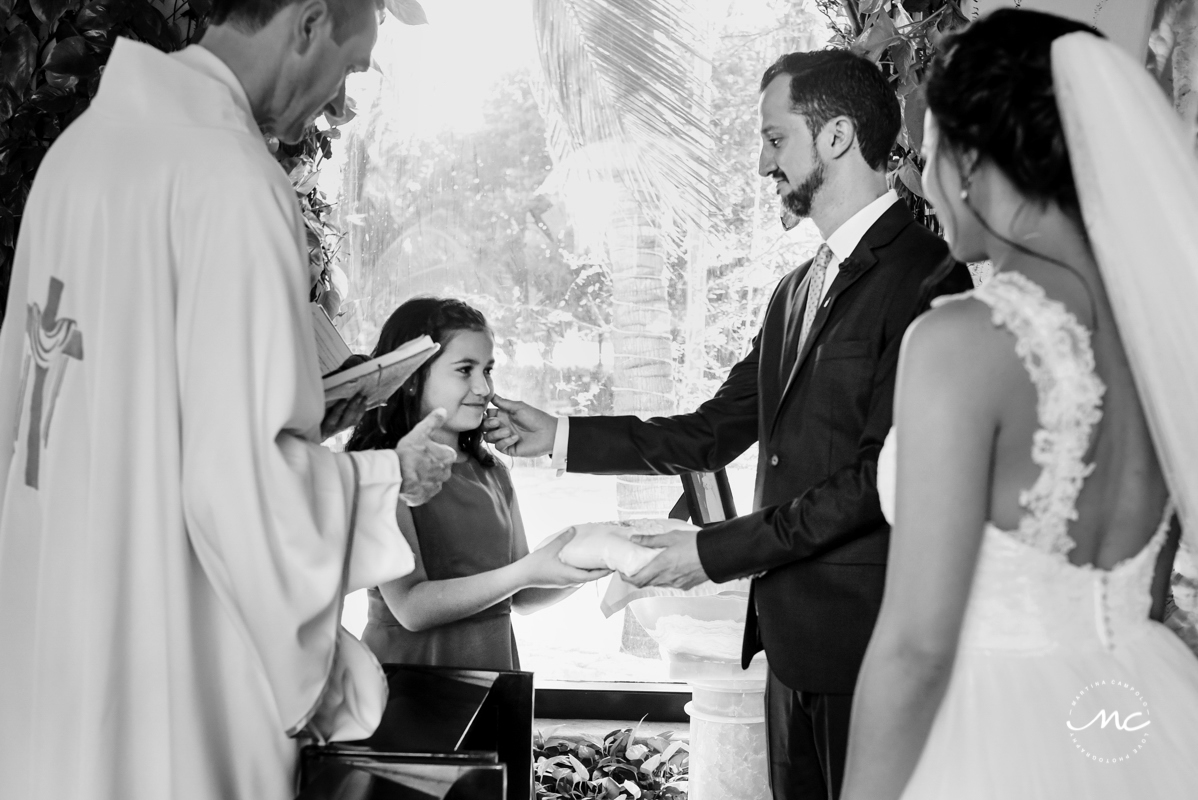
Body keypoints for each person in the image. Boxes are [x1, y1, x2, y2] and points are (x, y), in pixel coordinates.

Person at [0, 0, 460, 798]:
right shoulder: (230, 178)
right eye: (351, 67)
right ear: (309, 24)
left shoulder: (77, 158)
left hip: (50, 672)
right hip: (160, 697)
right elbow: (240, 486)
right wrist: (384, 483)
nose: (340, 100)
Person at [484, 50, 973, 800]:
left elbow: (875, 484)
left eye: (776, 140)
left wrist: (713, 553)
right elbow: (709, 433)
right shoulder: (792, 292)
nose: (760, 164)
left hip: (874, 647)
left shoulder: (931, 276)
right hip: (786, 651)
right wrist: (558, 435)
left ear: (837, 136)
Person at [840, 11, 1198, 799]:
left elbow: (917, 647)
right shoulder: (1170, 337)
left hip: (993, 741)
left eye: (924, 154)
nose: (917, 179)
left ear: (968, 159)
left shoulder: (967, 342)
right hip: (1140, 723)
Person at [346, 297, 608, 670]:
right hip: (410, 692)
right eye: (465, 370)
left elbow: (521, 594)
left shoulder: (493, 472)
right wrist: (524, 572)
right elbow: (410, 607)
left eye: (487, 370)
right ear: (410, 377)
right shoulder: (386, 472)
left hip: (493, 683)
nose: (484, 388)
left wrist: (591, 562)